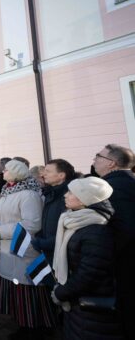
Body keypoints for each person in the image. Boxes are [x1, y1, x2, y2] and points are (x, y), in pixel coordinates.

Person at [51, 177, 123, 340]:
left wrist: (62, 292)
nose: (65, 195)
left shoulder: (96, 230)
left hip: (90, 307)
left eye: (71, 192)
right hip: (78, 306)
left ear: (85, 200)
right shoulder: (74, 219)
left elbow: (90, 273)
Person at [0, 159, 56, 339]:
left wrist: (0, 231)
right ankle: (23, 324)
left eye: (6, 170)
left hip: (21, 250)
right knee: (15, 288)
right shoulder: (6, 191)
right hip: (5, 248)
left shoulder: (29, 194)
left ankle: (34, 328)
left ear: (16, 172)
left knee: (27, 291)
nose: (2, 172)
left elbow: (32, 223)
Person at [93, 144, 135, 340]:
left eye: (98, 156)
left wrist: (104, 257)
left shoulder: (112, 187)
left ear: (111, 163)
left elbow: (125, 230)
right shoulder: (127, 182)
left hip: (124, 265)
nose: (94, 160)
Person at [32, 159, 76, 264]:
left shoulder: (69, 196)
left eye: (48, 171)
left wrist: (45, 243)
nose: (43, 174)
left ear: (61, 175)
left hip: (64, 255)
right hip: (50, 251)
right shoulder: (50, 193)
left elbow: (70, 229)